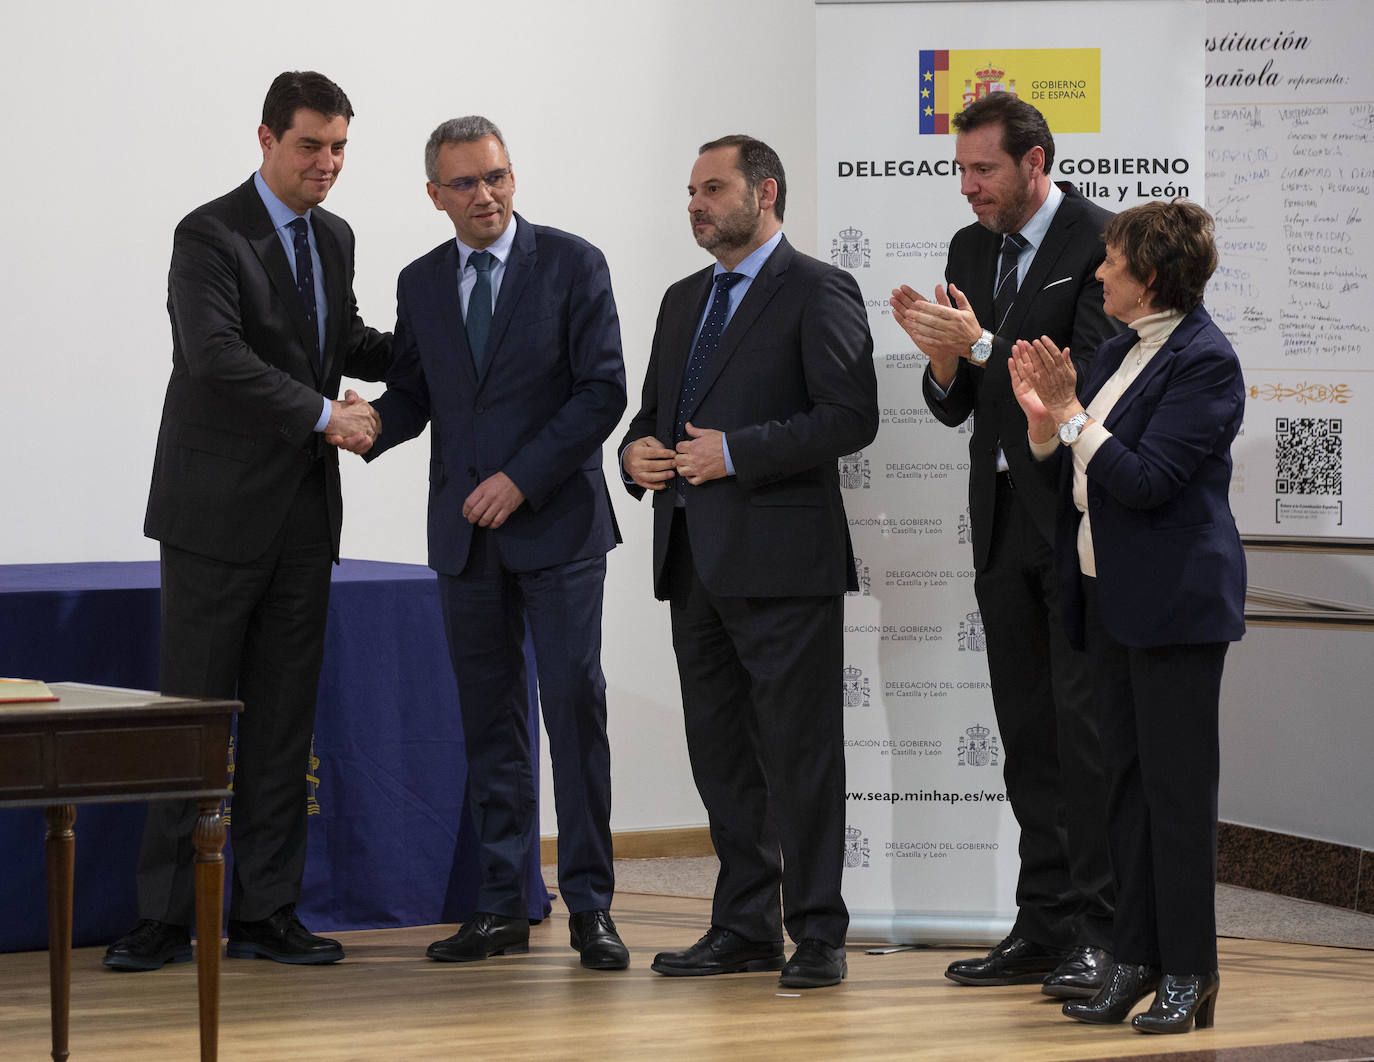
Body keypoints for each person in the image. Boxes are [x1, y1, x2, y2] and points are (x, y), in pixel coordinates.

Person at [107, 71, 391, 971]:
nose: (328, 163)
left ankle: (267, 913)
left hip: (306, 519)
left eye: (340, 146)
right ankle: (161, 916)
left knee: (282, 726)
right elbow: (216, 357)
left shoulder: (336, 237)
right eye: (311, 145)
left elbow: (342, 340)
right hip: (213, 516)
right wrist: (325, 415)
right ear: (265, 140)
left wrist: (447, 342)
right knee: (191, 721)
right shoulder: (209, 233)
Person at [352, 116, 629, 970]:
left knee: (572, 712)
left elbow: (602, 392)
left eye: (498, 177)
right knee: (490, 725)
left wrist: (521, 478)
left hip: (555, 527)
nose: (488, 196)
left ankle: (591, 909)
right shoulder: (422, 280)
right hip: (464, 541)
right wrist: (369, 425)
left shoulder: (575, 263)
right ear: (435, 194)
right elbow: (417, 390)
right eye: (466, 184)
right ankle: (503, 902)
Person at [621, 135, 878, 990]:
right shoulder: (679, 299)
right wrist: (635, 458)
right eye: (690, 190)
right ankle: (742, 926)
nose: (695, 203)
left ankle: (819, 933)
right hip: (692, 559)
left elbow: (849, 418)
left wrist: (736, 454)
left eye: (713, 188)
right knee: (721, 756)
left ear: (764, 193)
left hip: (782, 564)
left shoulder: (818, 289)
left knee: (800, 756)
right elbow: (650, 416)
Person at [889, 92, 1120, 997]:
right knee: (1026, 732)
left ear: (1035, 163)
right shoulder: (968, 249)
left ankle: (1102, 930)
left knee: (1083, 733)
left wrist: (980, 342)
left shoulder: (1103, 243)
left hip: (1074, 518)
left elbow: (1095, 379)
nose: (969, 187)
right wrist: (943, 360)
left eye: (984, 169)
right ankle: (1045, 921)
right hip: (995, 519)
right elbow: (954, 404)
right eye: (961, 170)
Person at [1009, 199, 1245, 1034]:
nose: (1100, 272)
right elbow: (1074, 481)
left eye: (1111, 261)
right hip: (1106, 596)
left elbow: (1145, 483)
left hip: (1176, 606)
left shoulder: (1206, 363)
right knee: (1125, 793)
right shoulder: (1117, 350)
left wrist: (1070, 416)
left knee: (1176, 797)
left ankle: (1192, 970)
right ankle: (1135, 958)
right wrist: (1045, 426)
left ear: (1148, 276)